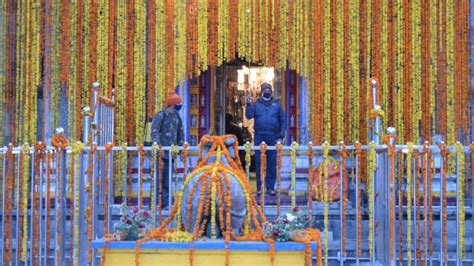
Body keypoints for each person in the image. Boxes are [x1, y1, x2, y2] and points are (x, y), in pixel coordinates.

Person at [245, 82, 285, 195]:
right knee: (259, 162)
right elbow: (249, 116)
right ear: (262, 91)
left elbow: (282, 120)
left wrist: (281, 136)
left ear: (271, 91)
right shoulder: (256, 104)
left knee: (272, 163)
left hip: (273, 136)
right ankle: (260, 188)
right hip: (259, 135)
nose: (267, 91)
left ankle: (271, 188)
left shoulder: (276, 105)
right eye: (265, 90)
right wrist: (248, 104)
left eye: (269, 90)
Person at [151, 90, 185, 207]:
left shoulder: (177, 117)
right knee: (160, 179)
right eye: (178, 104)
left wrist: (181, 148)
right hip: (162, 154)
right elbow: (154, 132)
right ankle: (159, 201)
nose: (179, 106)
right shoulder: (161, 115)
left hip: (172, 154)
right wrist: (158, 146)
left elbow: (181, 133)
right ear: (172, 104)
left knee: (167, 178)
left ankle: (166, 201)